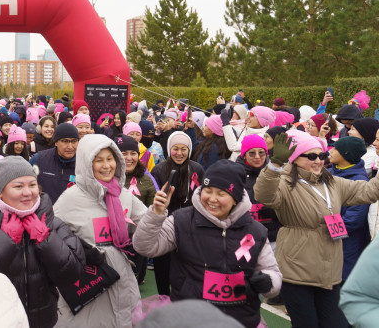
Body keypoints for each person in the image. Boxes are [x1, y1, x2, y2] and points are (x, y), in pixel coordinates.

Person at [133, 160, 282, 328]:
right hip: (190, 318)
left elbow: (273, 273)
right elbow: (144, 247)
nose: (212, 199)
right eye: (208, 191)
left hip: (241, 319)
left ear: (236, 198)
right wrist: (156, 214)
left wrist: (268, 281)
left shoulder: (256, 231)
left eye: (221, 193)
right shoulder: (181, 221)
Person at [254, 131, 379, 327]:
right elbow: (263, 194)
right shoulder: (285, 183)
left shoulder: (332, 182)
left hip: (330, 273)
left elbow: (369, 191)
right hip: (297, 272)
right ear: (295, 159)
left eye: (321, 155)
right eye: (311, 156)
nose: (318, 161)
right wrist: (275, 164)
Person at [0, 156, 85, 328]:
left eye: (32, 185)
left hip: (43, 320)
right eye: (18, 186)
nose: (28, 192)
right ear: (1, 191)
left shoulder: (52, 223)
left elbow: (73, 273)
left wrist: (46, 239)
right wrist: (5, 240)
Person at [52, 134, 147, 327]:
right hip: (88, 284)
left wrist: (159, 213)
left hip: (122, 278)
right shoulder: (69, 200)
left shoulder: (123, 195)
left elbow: (146, 223)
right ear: (87, 164)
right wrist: (80, 249)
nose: (106, 166)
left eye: (110, 159)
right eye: (99, 160)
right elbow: (51, 240)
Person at [150, 131, 205, 296]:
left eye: (183, 149)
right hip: (165, 225)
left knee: (187, 266)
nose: (179, 153)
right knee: (163, 266)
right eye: (175, 149)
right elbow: (154, 200)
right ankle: (163, 298)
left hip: (191, 226)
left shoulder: (197, 168)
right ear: (169, 149)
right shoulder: (159, 170)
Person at [328, 136, 369, 281]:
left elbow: (353, 220)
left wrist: (324, 232)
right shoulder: (330, 173)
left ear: (346, 154)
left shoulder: (359, 181)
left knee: (341, 283)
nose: (330, 151)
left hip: (346, 245)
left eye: (335, 148)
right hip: (328, 244)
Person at [30, 123, 79, 204]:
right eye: (65, 141)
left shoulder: (84, 164)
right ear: (56, 142)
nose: (70, 146)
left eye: (74, 141)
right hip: (45, 214)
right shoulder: (39, 159)